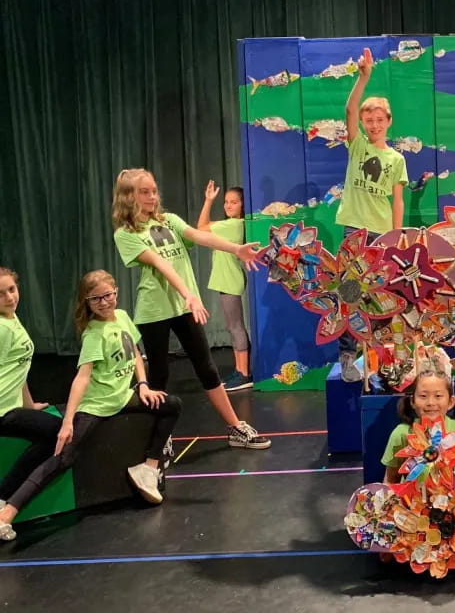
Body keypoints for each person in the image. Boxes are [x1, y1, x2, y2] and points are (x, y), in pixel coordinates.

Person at [0, 270, 183, 541]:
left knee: (172, 404)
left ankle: (148, 468)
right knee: (63, 456)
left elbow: (134, 353)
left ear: (116, 293)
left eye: (108, 295)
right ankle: (7, 512)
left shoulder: (122, 317)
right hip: (96, 406)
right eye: (96, 299)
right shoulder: (94, 335)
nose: (104, 302)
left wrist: (143, 385)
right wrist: (67, 421)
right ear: (87, 302)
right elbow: (82, 379)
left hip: (123, 396)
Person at [112, 168, 270, 449]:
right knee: (159, 374)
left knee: (207, 369)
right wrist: (189, 294)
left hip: (186, 306)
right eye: (143, 192)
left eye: (153, 190)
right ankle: (159, 436)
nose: (151, 196)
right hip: (155, 310)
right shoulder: (125, 234)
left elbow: (201, 236)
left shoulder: (169, 220)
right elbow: (161, 264)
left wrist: (235, 249)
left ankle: (236, 427)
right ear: (128, 196)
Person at [334, 47, 408, 381]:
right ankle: (349, 356)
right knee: (351, 291)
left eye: (380, 119)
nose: (374, 124)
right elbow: (349, 108)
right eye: (369, 120)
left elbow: (397, 200)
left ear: (389, 122)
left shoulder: (396, 159)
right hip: (355, 230)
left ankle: (378, 353)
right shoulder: (359, 146)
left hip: (383, 235)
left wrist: (396, 236)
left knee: (381, 295)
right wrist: (363, 77)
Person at [381, 369, 455, 556]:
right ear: (412, 401)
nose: (431, 403)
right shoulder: (400, 433)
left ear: (450, 401)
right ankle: (395, 544)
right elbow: (390, 478)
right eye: (423, 396)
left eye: (438, 396)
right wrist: (387, 511)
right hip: (413, 506)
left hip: (451, 506)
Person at [0, 266, 59, 541]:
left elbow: (19, 368)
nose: (9, 297)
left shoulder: (11, 318)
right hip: (1, 411)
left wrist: (30, 404)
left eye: (11, 289)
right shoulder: (1, 327)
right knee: (57, 433)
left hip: (11, 406)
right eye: (0, 294)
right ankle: (3, 499)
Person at [197, 180, 251, 392]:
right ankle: (240, 369)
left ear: (242, 206)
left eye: (234, 202)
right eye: (226, 202)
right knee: (231, 326)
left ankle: (245, 373)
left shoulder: (233, 225)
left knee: (235, 326)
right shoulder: (228, 225)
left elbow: (200, 228)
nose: (228, 206)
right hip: (226, 279)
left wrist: (208, 201)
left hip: (230, 279)